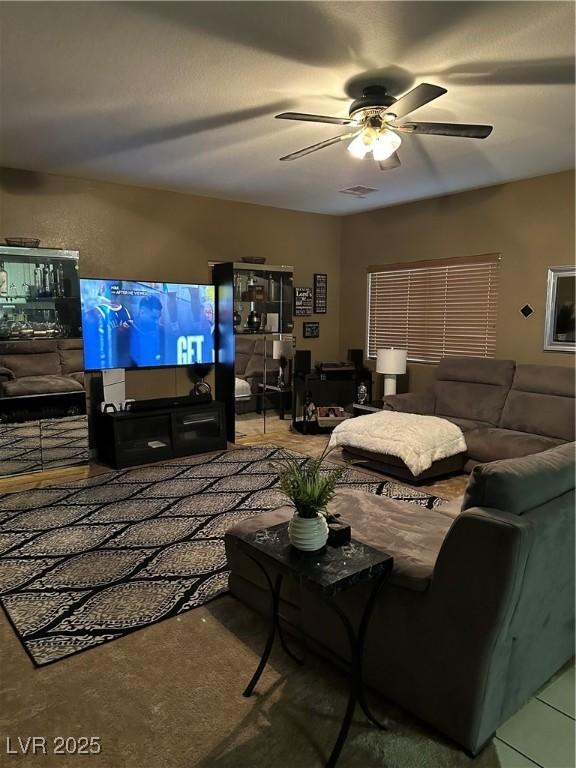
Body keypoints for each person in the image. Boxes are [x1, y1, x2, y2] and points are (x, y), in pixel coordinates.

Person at [129, 295, 165, 367]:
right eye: (154, 318)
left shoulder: (161, 332)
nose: (156, 322)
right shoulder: (126, 332)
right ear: (142, 312)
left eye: (158, 318)